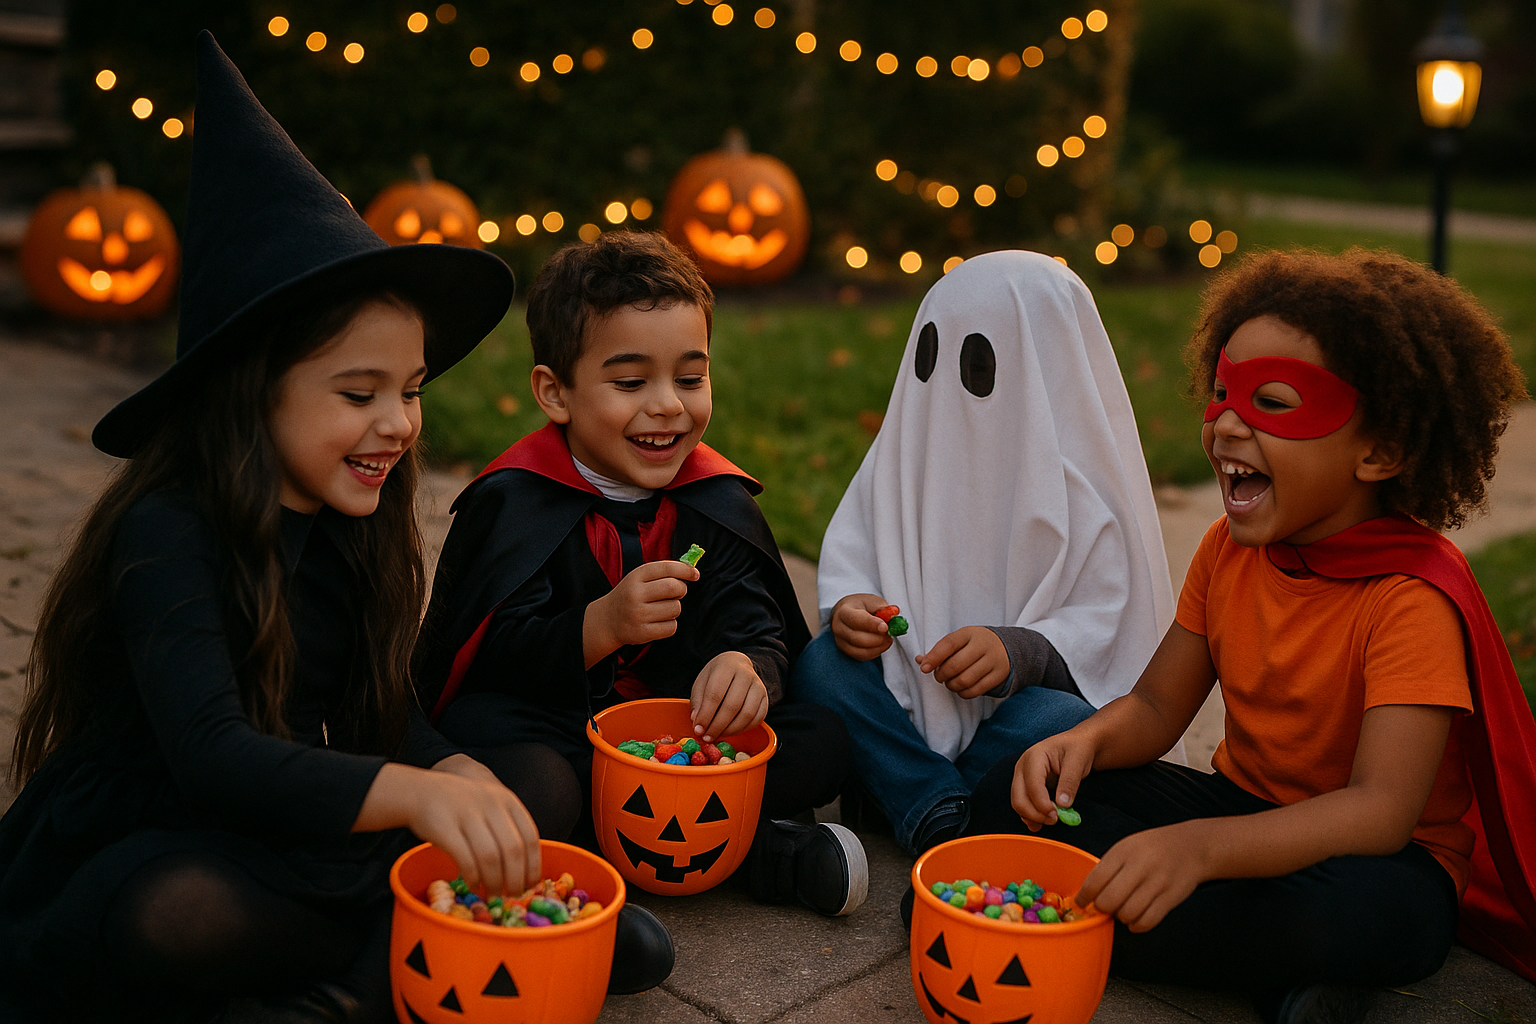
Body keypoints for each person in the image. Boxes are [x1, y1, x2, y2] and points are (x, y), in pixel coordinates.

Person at [0, 34, 660, 1024]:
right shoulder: (165, 531)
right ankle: (399, 954)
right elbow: (214, 756)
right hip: (175, 825)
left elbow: (376, 710)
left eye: (410, 391)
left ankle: (359, 970)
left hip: (296, 818)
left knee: (527, 777)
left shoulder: (353, 516)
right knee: (168, 912)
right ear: (251, 393)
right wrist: (413, 801)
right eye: (359, 393)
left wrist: (445, 768)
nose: (397, 424)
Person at [968, 248, 1536, 1024]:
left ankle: (1095, 919)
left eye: (1273, 402)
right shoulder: (1227, 551)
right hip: (1241, 812)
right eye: (1224, 394)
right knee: (1009, 790)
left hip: (1379, 869)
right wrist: (1086, 745)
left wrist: (1196, 851)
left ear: (1381, 451)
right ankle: (1280, 980)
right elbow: (1158, 709)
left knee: (1359, 917)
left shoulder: (1410, 601)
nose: (1228, 423)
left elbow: (1379, 811)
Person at [412, 231, 868, 917]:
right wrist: (597, 627)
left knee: (821, 740)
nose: (667, 406)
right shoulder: (514, 500)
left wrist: (746, 669)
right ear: (555, 392)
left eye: (690, 378)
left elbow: (759, 625)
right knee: (527, 772)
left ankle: (622, 851)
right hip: (563, 729)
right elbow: (490, 656)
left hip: (682, 737)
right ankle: (749, 855)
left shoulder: (716, 501)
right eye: (630, 382)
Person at [792, 250, 1175, 856]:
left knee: (1062, 720)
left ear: (1048, 367)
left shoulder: (1087, 489)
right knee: (821, 669)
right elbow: (855, 557)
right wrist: (851, 612)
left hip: (1017, 720)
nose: (943, 382)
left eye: (976, 363)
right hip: (903, 702)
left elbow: (1115, 632)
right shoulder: (901, 457)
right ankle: (946, 811)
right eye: (929, 355)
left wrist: (1018, 650)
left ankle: (913, 799)